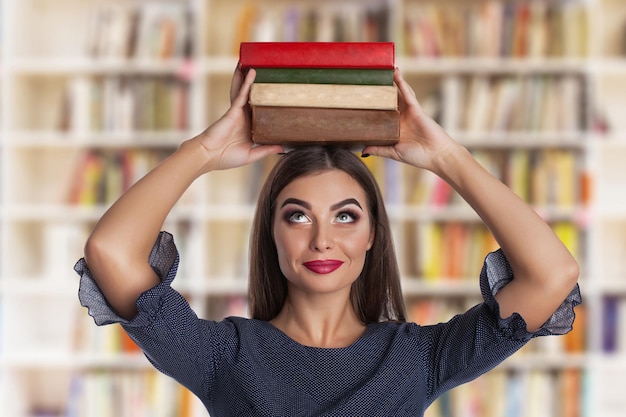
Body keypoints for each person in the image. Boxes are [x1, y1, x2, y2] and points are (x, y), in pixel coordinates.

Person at [74, 66, 581, 416]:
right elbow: (111, 253)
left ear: (371, 237)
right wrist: (204, 150)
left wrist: (447, 157)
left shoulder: (417, 358)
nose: (322, 240)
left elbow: (551, 277)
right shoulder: (222, 355)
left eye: (345, 217)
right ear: (271, 233)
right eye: (297, 217)